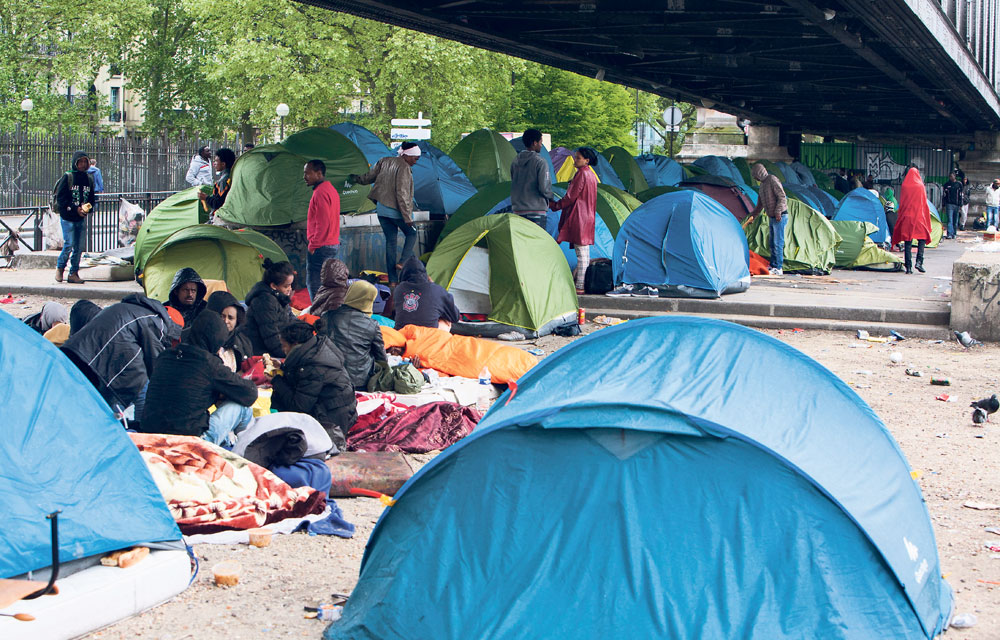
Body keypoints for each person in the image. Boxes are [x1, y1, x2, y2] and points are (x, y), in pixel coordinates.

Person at [141, 310, 257, 446]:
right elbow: (250, 393)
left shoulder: (165, 356)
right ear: (216, 339)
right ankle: (242, 449)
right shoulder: (209, 363)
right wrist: (222, 393)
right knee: (243, 407)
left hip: (150, 435)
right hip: (190, 442)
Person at [62, 293, 181, 411]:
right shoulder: (160, 323)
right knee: (141, 387)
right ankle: (142, 427)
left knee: (106, 393)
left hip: (84, 350)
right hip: (118, 347)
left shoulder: (136, 309)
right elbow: (155, 361)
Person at [268, 321, 357, 452]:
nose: (283, 350)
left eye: (284, 346)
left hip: (332, 420)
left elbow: (299, 406)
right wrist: (283, 368)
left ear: (295, 344)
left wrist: (276, 381)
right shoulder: (315, 348)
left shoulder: (313, 365)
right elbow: (302, 379)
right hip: (340, 409)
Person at [349, 142, 420, 284]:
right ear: (406, 155)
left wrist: (353, 178)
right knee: (412, 233)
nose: (416, 161)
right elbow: (402, 193)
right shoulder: (404, 167)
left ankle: (393, 281)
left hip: (381, 211)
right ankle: (403, 261)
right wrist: (407, 218)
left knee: (390, 243)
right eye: (415, 158)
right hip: (396, 211)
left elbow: (368, 178)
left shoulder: (384, 161)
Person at [320, 280, 387, 390]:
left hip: (330, 378)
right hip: (359, 382)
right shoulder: (372, 324)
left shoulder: (327, 316)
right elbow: (381, 357)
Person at [550, 147, 598, 293]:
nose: (574, 161)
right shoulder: (591, 175)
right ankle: (583, 283)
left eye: (578, 158)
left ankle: (580, 286)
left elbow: (571, 197)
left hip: (579, 217)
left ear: (586, 160)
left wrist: (555, 205)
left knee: (581, 254)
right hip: (588, 216)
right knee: (585, 253)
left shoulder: (581, 174)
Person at [54, 151, 96, 284]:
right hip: (68, 217)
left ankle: (74, 273)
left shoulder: (89, 179)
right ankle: (60, 268)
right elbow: (61, 199)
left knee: (79, 247)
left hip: (80, 218)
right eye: (81, 162)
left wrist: (87, 209)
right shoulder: (68, 177)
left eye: (85, 162)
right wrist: (74, 209)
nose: (83, 165)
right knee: (69, 244)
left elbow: (91, 198)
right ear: (75, 163)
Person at [243, 259, 297, 357]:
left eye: (291, 285)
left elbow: (291, 318)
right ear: (273, 286)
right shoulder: (264, 301)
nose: (290, 289)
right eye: (286, 286)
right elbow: (271, 336)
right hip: (259, 351)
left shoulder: (280, 297)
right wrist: (288, 354)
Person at [304, 159, 342, 300]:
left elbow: (322, 222)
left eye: (307, 173)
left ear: (319, 173)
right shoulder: (331, 190)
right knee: (327, 282)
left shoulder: (320, 193)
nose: (304, 177)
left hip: (321, 245)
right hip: (332, 243)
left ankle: (317, 314)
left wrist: (313, 245)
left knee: (314, 282)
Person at [392, 256, 460, 331]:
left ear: (402, 274)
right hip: (428, 337)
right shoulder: (437, 290)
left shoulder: (398, 289)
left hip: (402, 334)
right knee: (446, 321)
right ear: (424, 273)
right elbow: (455, 317)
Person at [750, 163, 788, 276]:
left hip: (780, 216)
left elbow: (782, 196)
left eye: (755, 175)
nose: (755, 178)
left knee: (777, 242)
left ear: (759, 173)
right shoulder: (762, 186)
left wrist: (778, 212)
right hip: (772, 217)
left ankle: (778, 267)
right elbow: (760, 205)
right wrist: (753, 215)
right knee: (772, 242)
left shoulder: (772, 179)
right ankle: (773, 265)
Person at [893, 166, 933, 275]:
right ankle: (919, 262)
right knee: (922, 238)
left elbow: (903, 202)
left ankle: (908, 267)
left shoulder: (905, 186)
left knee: (907, 242)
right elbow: (924, 203)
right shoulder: (920, 186)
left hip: (907, 217)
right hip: (919, 217)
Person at [510, 128, 554, 226]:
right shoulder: (540, 162)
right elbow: (544, 188)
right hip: (536, 211)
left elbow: (513, 180)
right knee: (536, 240)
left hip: (518, 211)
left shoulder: (515, 161)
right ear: (534, 143)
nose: (541, 145)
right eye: (540, 142)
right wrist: (552, 197)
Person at [204, 290, 254, 372]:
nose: (226, 321)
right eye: (221, 316)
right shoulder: (198, 340)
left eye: (230, 318)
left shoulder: (244, 343)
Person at [198, 148, 235, 214]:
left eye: (216, 161)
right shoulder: (233, 175)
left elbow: (219, 204)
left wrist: (206, 198)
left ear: (223, 164)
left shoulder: (224, 180)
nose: (214, 164)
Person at [942, 172, 963, 239]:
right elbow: (944, 196)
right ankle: (949, 234)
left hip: (956, 204)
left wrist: (961, 204)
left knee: (955, 220)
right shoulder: (946, 185)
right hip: (949, 204)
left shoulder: (959, 184)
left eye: (951, 176)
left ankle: (954, 233)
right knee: (950, 220)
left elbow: (961, 195)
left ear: (954, 176)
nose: (950, 177)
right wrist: (943, 205)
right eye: (949, 176)